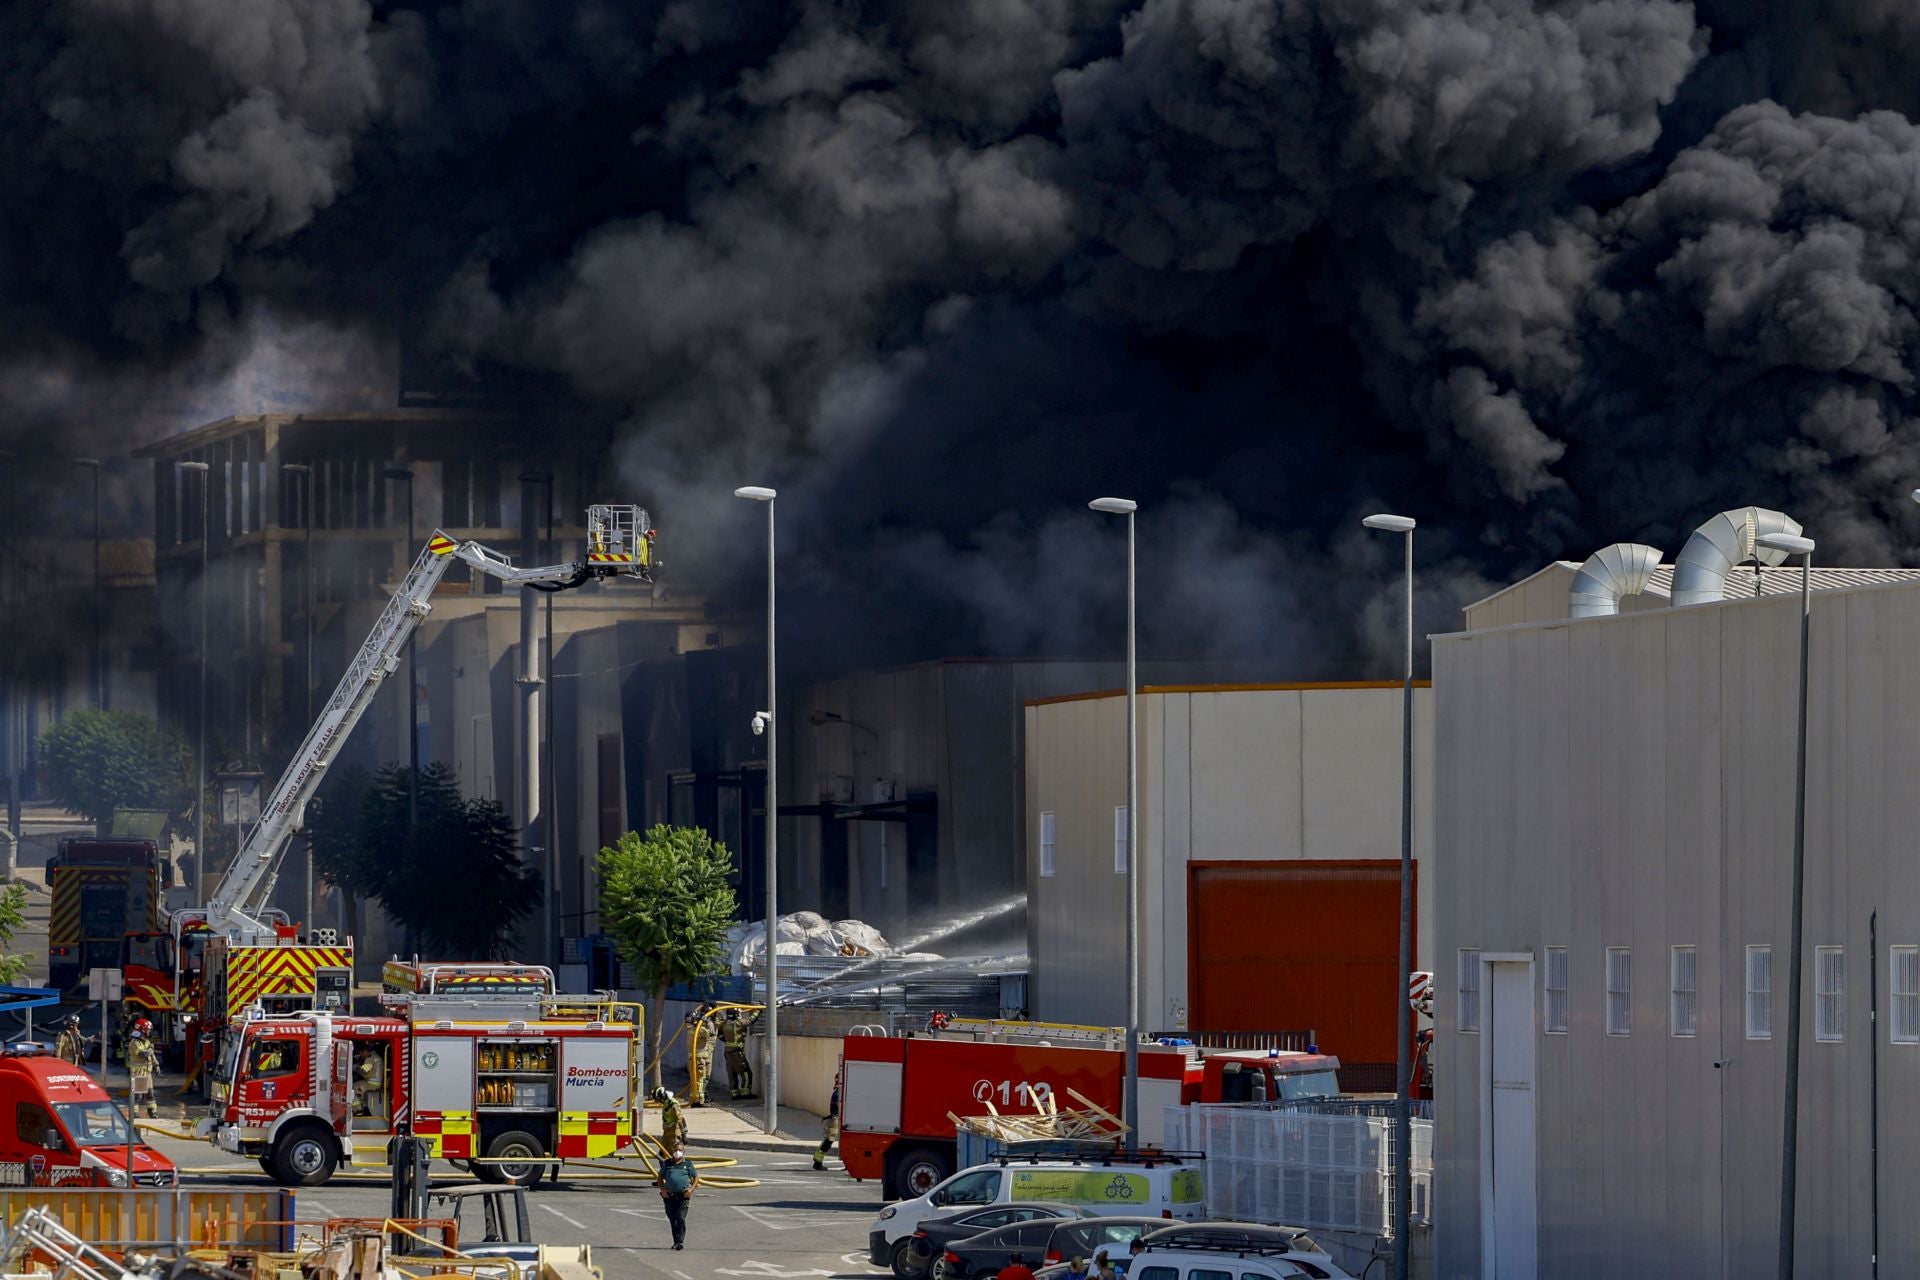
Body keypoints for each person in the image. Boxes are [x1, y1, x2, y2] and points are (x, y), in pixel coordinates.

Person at [655, 1146, 699, 1250]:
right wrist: (663, 1190)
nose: (677, 1152)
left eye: (680, 1150)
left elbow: (696, 1177)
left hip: (683, 1196)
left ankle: (680, 1241)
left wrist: (691, 1190)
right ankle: (675, 1241)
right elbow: (660, 1177)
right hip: (670, 1196)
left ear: (683, 1152)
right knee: (672, 1219)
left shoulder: (688, 1164)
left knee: (680, 1217)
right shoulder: (667, 1164)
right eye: (675, 1150)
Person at [125, 1019, 159, 1118]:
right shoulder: (134, 1043)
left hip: (147, 1073)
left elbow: (152, 1057)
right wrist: (151, 1049)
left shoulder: (146, 1042)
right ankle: (134, 1113)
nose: (149, 1032)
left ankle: (152, 1112)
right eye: (147, 1030)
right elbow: (143, 1054)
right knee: (137, 1095)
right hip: (138, 1072)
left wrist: (156, 1065)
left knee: (150, 1094)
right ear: (142, 1030)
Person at [719, 1009, 755, 1100]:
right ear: (735, 1015)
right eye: (739, 1013)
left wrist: (728, 1041)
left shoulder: (724, 1023)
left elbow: (719, 1035)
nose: (740, 1014)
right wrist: (758, 1010)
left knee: (732, 1073)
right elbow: (751, 1020)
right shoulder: (739, 1023)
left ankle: (734, 1094)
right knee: (746, 1073)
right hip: (737, 1053)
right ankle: (745, 1093)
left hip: (727, 1052)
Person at [687, 1006, 716, 1107]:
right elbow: (711, 1032)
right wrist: (707, 1021)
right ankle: (699, 1101)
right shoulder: (698, 1030)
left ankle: (694, 1099)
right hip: (699, 1059)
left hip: (693, 1059)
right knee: (700, 1080)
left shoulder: (690, 1029)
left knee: (694, 1080)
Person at [813, 1075, 840, 1170]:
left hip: (835, 1119)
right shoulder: (838, 1094)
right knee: (828, 1141)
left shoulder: (837, 1093)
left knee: (829, 1141)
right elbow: (837, 1108)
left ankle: (817, 1160)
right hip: (835, 1120)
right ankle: (817, 1162)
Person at [653, 1086, 687, 1152]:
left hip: (674, 1133)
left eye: (659, 1099)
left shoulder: (673, 1104)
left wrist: (684, 1134)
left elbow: (680, 1119)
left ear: (663, 1096)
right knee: (663, 1154)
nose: (659, 1102)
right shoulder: (666, 1103)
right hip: (667, 1132)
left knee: (675, 1154)